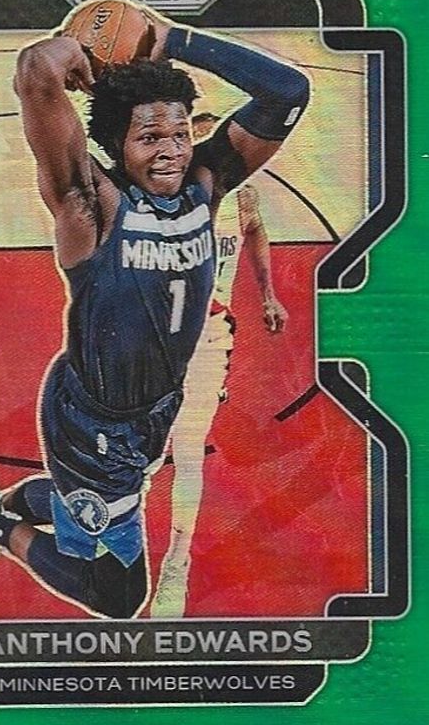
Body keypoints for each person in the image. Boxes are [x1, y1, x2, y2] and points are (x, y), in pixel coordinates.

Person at [0, 6, 309, 618]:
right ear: (116, 144)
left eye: (180, 134)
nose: (171, 151)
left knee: (99, 504)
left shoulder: (206, 183)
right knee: (118, 595)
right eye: (149, 138)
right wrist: (73, 50)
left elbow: (288, 92)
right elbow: (36, 69)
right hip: (96, 424)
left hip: (153, 408)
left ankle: (5, 503)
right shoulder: (91, 204)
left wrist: (170, 39)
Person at [151, 112, 288, 618]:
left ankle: (177, 562)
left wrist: (268, 292)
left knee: (189, 450)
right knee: (140, 455)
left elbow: (255, 230)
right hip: (154, 337)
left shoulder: (243, 198)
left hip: (209, 334)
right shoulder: (167, 198)